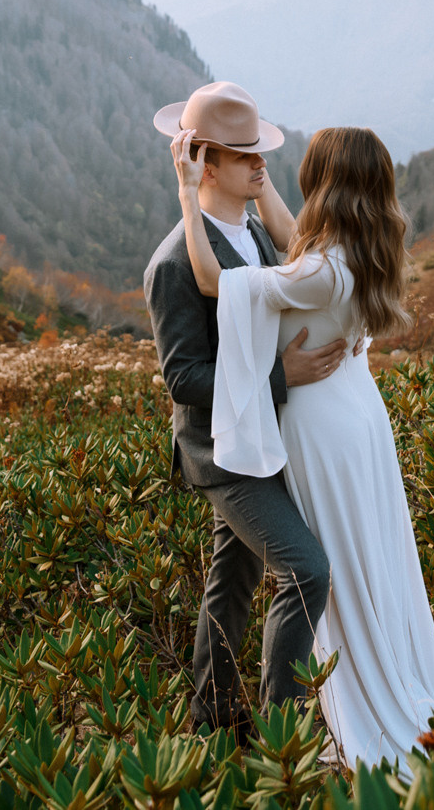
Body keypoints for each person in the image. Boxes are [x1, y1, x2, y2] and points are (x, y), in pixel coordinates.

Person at [169, 120, 434, 769]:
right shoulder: (354, 250)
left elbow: (213, 280)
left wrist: (186, 192)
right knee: (332, 562)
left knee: (322, 569)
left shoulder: (320, 268)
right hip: (355, 415)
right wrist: (261, 182)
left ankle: (288, 733)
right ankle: (230, 716)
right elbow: (296, 243)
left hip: (321, 427)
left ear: (322, 182)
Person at [144, 81, 347, 734]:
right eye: (244, 155)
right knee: (306, 571)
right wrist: (280, 376)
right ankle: (283, 734)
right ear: (205, 164)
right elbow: (183, 378)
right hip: (221, 452)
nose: (260, 163)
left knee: (231, 584)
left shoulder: (256, 231)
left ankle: (212, 725)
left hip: (262, 435)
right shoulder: (174, 263)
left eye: (260, 150)